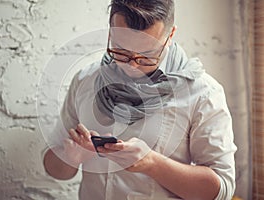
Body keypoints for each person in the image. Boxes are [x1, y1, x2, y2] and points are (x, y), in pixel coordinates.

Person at [42, 0, 237, 199]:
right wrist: (71, 158)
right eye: (120, 50)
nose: (132, 66)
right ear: (110, 32)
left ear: (170, 35)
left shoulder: (202, 93)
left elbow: (222, 190)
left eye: (147, 55)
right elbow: (52, 168)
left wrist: (152, 163)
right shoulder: (85, 80)